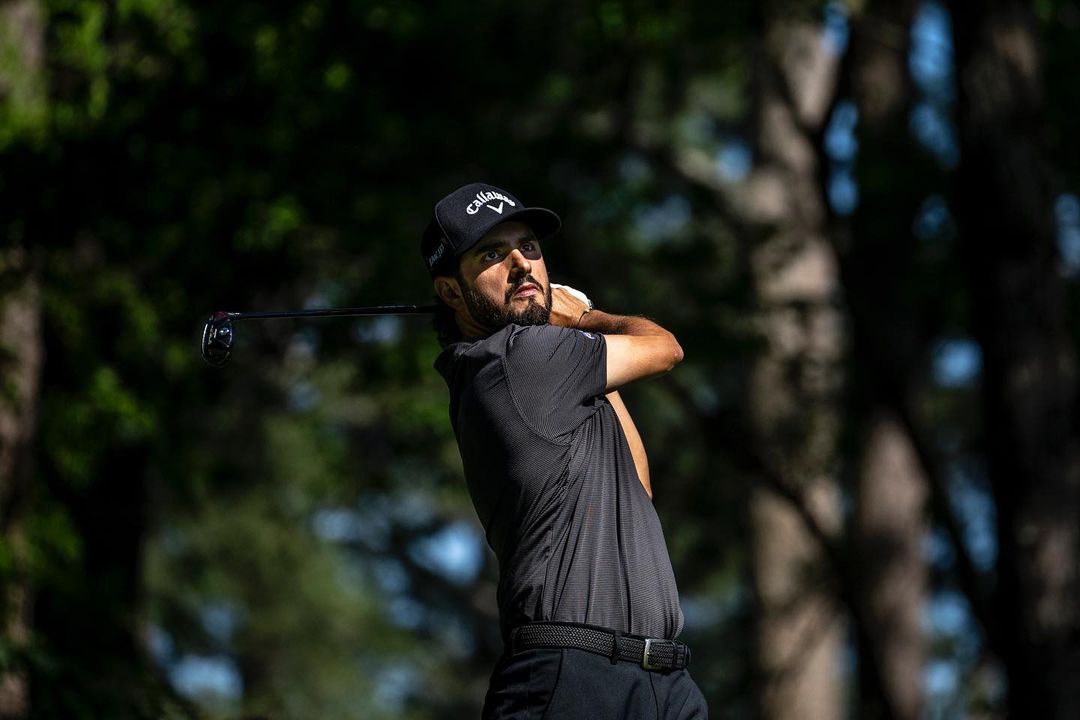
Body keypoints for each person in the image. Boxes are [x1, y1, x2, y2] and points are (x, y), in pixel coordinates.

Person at [421, 182, 708, 719]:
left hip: (662, 683)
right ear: (451, 293)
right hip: (572, 678)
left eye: (528, 247)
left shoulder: (554, 373)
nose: (521, 265)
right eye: (491, 254)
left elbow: (637, 488)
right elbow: (664, 347)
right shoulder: (513, 356)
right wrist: (582, 319)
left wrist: (587, 351)